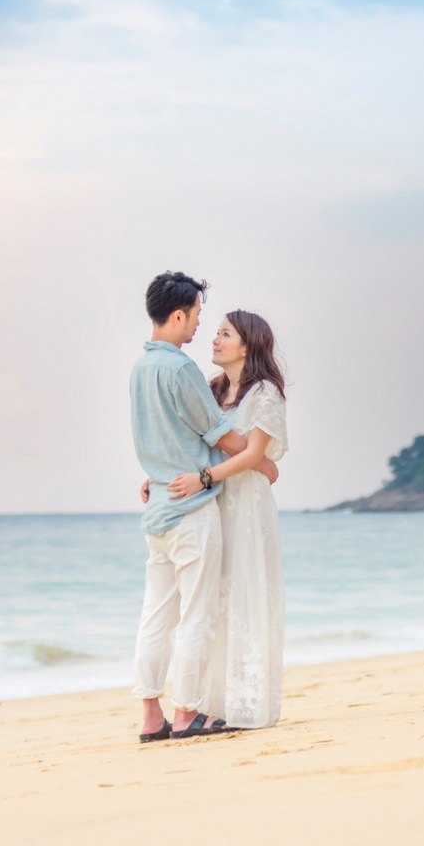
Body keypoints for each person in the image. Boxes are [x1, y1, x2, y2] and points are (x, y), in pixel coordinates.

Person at [129, 272, 277, 744]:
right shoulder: (180, 370)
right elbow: (221, 435)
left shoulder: (139, 368)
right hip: (191, 511)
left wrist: (155, 474)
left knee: (156, 614)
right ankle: (187, 712)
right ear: (178, 314)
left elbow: (159, 436)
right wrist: (261, 462)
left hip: (158, 512)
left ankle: (151, 716)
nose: (199, 327)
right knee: (196, 615)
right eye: (195, 316)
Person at [166, 310, 288, 730]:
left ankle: (247, 704)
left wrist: (203, 479)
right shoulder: (213, 389)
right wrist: (160, 478)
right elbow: (191, 442)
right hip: (215, 502)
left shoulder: (265, 393)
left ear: (247, 344)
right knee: (215, 601)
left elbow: (256, 455)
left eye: (224, 334)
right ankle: (212, 703)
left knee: (247, 594)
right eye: (215, 333)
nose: (214, 340)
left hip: (247, 505)